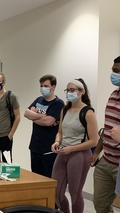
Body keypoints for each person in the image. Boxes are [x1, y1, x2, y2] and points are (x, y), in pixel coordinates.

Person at [51, 78, 98, 213]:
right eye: (67, 90)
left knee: (74, 192)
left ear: (81, 92)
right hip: (63, 152)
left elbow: (94, 141)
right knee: (56, 191)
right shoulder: (64, 110)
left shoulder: (88, 112)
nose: (69, 93)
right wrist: (57, 142)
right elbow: (60, 132)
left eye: (72, 90)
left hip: (80, 155)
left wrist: (72, 148)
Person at [91, 56, 120, 213]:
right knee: (100, 205)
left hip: (119, 163)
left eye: (117, 71)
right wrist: (96, 152)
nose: (113, 75)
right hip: (106, 160)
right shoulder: (113, 94)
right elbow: (107, 128)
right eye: (113, 71)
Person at [24, 74, 64, 178]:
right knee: (36, 178)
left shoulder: (58, 103)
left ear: (53, 87)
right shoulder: (39, 100)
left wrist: (33, 116)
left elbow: (48, 122)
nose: (43, 88)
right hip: (35, 146)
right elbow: (26, 113)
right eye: (41, 85)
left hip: (49, 149)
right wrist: (42, 116)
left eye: (46, 86)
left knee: (49, 179)